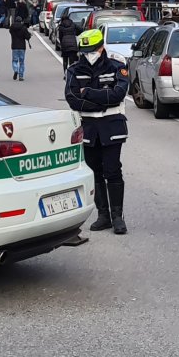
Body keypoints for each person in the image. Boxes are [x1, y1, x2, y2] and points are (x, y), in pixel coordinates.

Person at [65, 27, 129, 235]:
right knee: (94, 171)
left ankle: (117, 216)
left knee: (112, 170)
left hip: (112, 126)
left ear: (101, 47)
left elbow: (118, 94)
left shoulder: (117, 66)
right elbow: (72, 99)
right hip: (89, 127)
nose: (88, 55)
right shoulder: (74, 70)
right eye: (85, 51)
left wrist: (89, 93)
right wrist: (99, 103)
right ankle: (103, 215)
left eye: (92, 50)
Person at [7, 0, 32, 81]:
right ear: (21, 21)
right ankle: (21, 76)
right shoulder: (23, 28)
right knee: (22, 61)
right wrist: (29, 35)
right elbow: (27, 36)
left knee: (14, 60)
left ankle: (15, 70)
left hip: (14, 46)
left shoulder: (12, 28)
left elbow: (10, 32)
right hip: (22, 46)